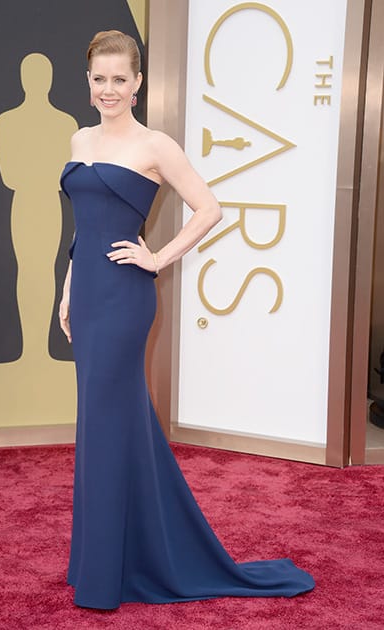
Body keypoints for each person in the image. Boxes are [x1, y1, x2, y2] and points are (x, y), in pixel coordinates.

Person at [58, 30, 314, 610]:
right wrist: (68, 290)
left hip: (125, 297)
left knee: (105, 423)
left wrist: (156, 258)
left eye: (120, 78)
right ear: (89, 82)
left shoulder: (156, 145)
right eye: (100, 78)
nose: (109, 89)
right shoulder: (79, 137)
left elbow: (210, 208)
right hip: (90, 295)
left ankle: (109, 573)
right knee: (112, 426)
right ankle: (112, 559)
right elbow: (82, 229)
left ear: (139, 83)